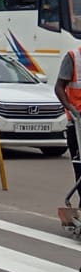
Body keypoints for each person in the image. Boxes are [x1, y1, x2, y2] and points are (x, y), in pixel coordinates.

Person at [58, 37, 81, 181]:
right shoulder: (73, 57)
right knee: (79, 166)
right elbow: (59, 87)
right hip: (78, 122)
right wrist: (71, 108)